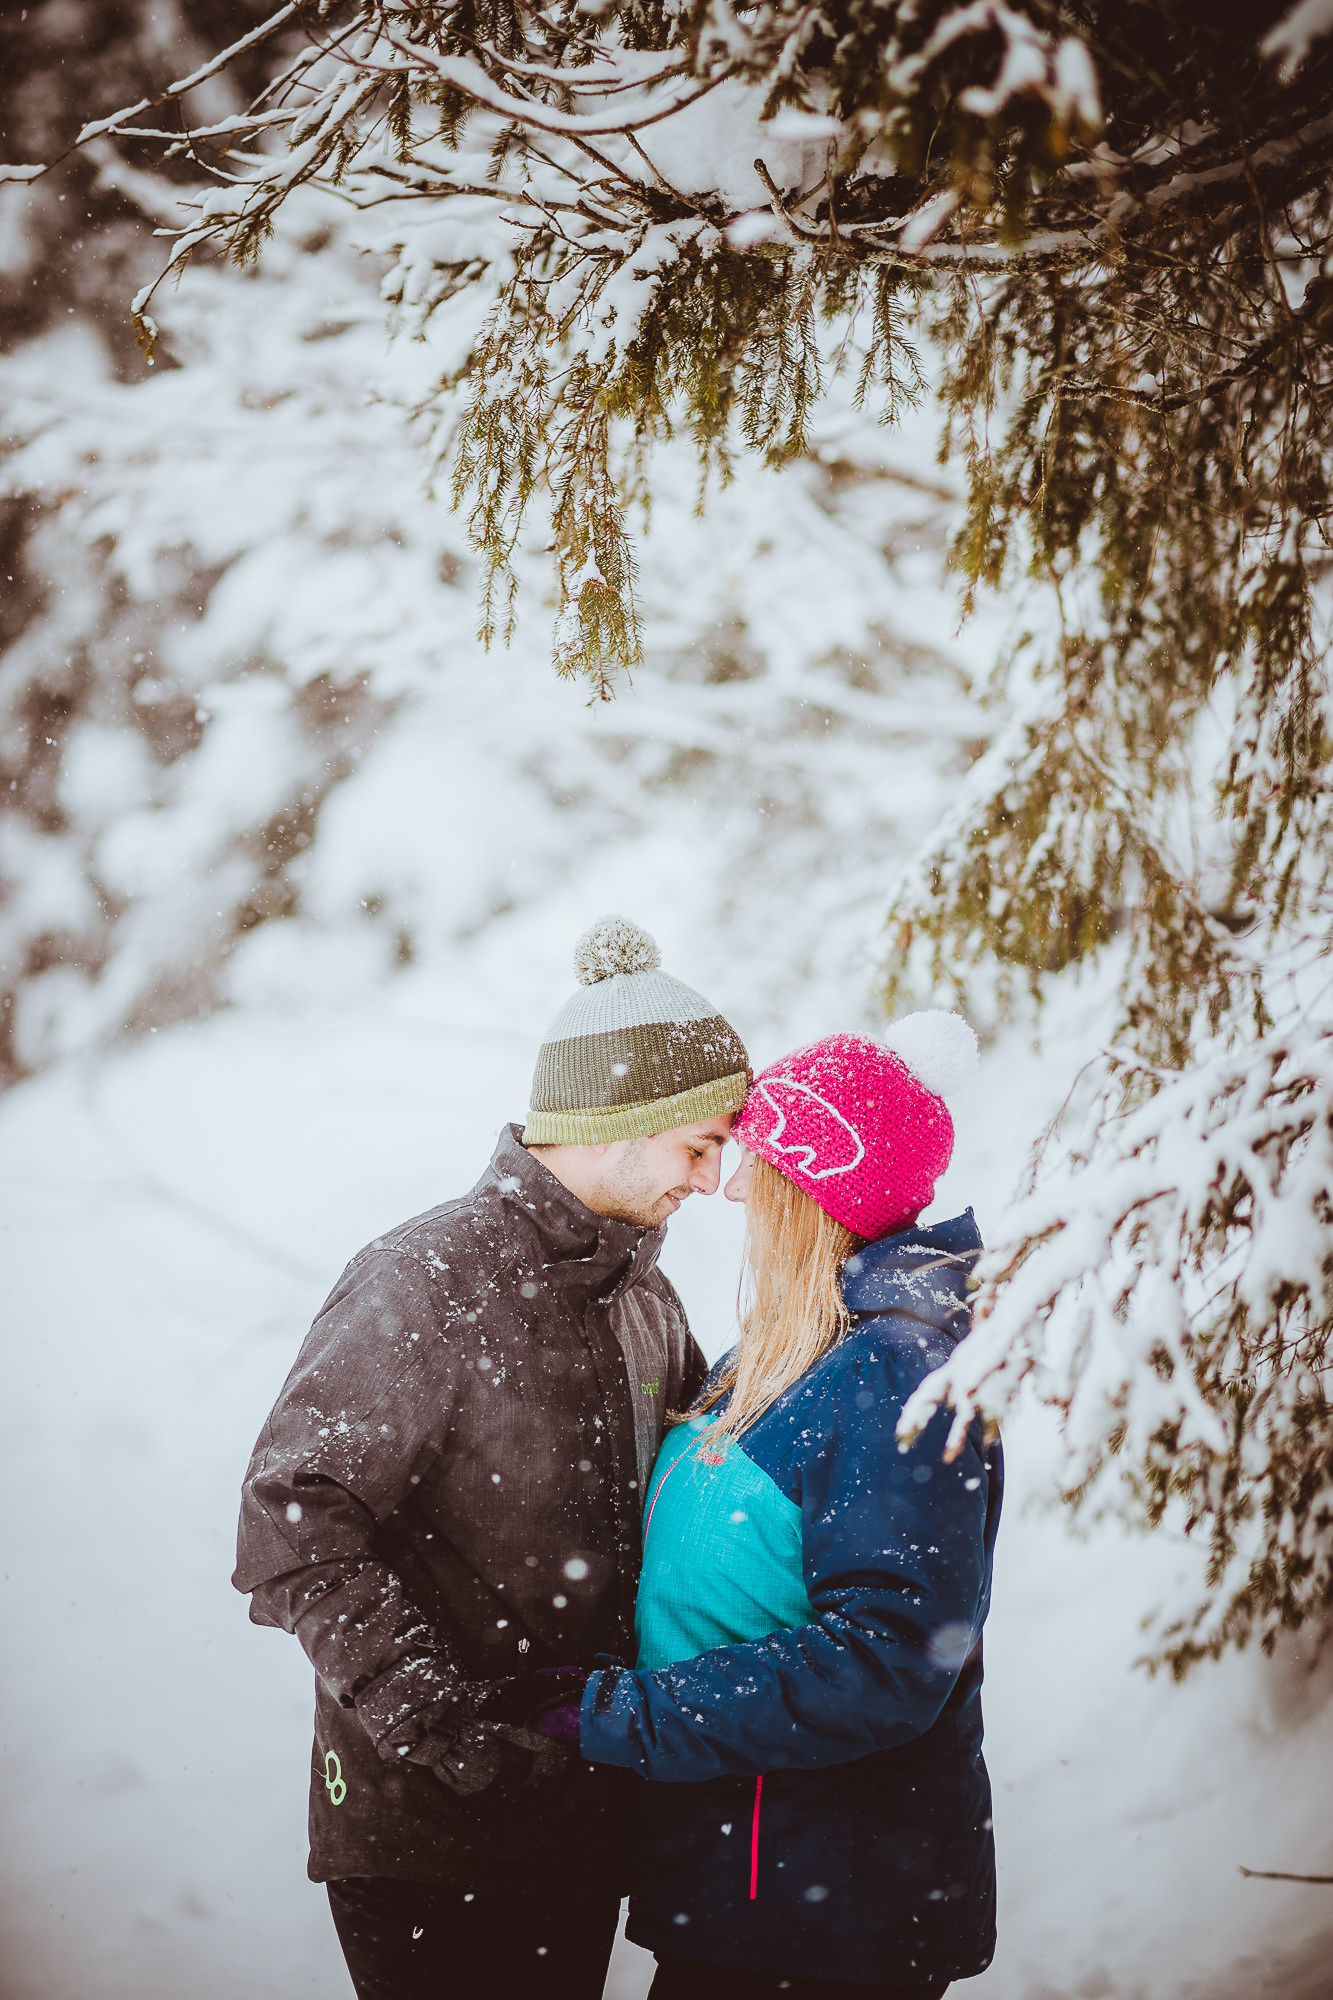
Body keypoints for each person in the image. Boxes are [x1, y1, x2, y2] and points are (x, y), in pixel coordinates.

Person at [232, 915, 750, 2000]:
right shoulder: (424, 1279)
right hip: (430, 1838)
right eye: (698, 1144)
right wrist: (440, 1724)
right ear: (618, 1121)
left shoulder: (645, 1296)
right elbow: (292, 1520)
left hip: (577, 1820)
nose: (711, 1179)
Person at [557, 1013, 1003, 1998]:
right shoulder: (794, 1351)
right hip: (754, 1883)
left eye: (761, 1162)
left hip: (823, 1905)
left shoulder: (891, 1369)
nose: (735, 1185)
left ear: (816, 1191)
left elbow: (889, 1655)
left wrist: (630, 1711)